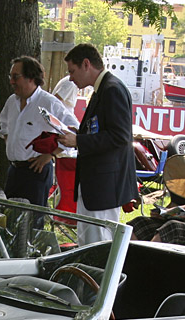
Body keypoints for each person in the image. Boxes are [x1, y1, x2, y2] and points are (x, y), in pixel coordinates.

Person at [58, 44, 137, 245]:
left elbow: (119, 136)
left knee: (99, 242)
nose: (70, 78)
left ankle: (97, 276)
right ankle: (91, 273)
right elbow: (104, 130)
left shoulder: (112, 90)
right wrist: (80, 133)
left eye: (72, 71)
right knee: (89, 239)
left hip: (104, 184)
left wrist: (79, 140)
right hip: (97, 182)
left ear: (86, 64)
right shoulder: (104, 89)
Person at [0, 57, 78, 206]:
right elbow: (4, 125)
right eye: (11, 77)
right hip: (14, 171)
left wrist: (50, 154)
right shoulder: (11, 101)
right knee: (9, 219)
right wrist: (11, 143)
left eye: (16, 77)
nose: (11, 82)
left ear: (31, 78)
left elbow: (74, 131)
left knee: (33, 222)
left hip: (36, 171)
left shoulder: (49, 102)